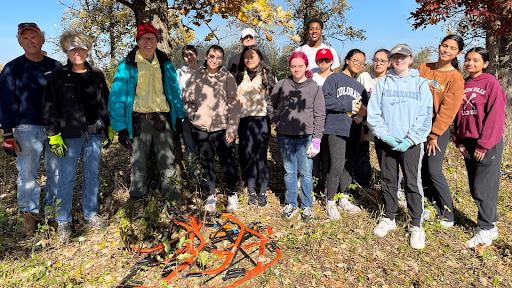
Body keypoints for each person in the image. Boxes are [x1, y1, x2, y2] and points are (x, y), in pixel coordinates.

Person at [42, 30, 112, 241]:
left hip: (94, 134)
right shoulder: (58, 75)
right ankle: (63, 220)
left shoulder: (97, 74)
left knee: (92, 175)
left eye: (82, 47)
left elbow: (105, 101)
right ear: (66, 51)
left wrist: (107, 126)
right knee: (66, 178)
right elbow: (49, 107)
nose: (78, 52)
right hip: (69, 135)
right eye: (73, 48)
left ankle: (90, 214)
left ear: (88, 50)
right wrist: (53, 135)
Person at [109, 22, 184, 210]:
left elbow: (174, 91)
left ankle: (171, 200)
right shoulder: (127, 65)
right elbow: (116, 97)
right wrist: (121, 128)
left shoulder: (165, 64)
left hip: (163, 120)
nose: (148, 42)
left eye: (152, 39)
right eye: (144, 39)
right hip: (138, 121)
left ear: (157, 41)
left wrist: (179, 117)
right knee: (138, 164)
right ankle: (137, 202)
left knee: (167, 162)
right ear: (138, 41)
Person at [367, 44, 432, 249]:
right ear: (391, 60)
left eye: (403, 57)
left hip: (411, 143)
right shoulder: (383, 83)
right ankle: (389, 217)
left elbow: (424, 116)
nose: (399, 60)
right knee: (388, 179)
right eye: (396, 57)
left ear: (411, 59)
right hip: (386, 141)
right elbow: (374, 113)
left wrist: (410, 139)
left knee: (412, 182)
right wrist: (385, 136)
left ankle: (416, 224)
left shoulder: (421, 84)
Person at [0, 23, 61, 237]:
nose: (30, 41)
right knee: (27, 174)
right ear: (20, 43)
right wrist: (8, 133)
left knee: (56, 172)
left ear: (42, 39)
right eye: (25, 38)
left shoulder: (56, 66)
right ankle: (29, 219)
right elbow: (6, 101)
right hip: (26, 130)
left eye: (33, 37)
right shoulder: (12, 68)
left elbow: (64, 99)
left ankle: (53, 215)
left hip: (55, 129)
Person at [453, 47, 506, 248]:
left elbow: (496, 116)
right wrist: (458, 140)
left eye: (476, 60)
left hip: (487, 142)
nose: (470, 64)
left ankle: (485, 229)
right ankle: (490, 223)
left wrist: (484, 145)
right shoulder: (463, 83)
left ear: (485, 63)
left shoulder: (491, 83)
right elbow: (457, 115)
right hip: (468, 142)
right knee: (476, 186)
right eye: (467, 60)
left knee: (482, 187)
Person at [182, 45, 241, 213]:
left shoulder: (227, 77)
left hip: (222, 128)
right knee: (206, 161)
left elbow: (234, 104)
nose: (215, 60)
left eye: (219, 58)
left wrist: (232, 128)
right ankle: (211, 193)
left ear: (222, 60)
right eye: (212, 56)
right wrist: (193, 116)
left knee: (228, 161)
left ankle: (231, 193)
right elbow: (187, 100)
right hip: (201, 128)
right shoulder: (196, 76)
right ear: (206, 56)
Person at [267, 51, 325, 222]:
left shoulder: (314, 88)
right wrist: (278, 122)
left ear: (306, 67)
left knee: (306, 173)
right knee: (289, 172)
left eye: (300, 66)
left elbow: (320, 114)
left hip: (306, 137)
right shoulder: (282, 85)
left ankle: (307, 206)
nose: (297, 69)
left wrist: (317, 139)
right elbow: (271, 105)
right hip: (285, 137)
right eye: (293, 66)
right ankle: (291, 203)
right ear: (289, 67)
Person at [420, 35, 465, 226]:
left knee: (433, 169)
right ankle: (430, 205)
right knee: (421, 168)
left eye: (452, 48)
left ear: (458, 53)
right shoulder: (424, 68)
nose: (446, 50)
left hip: (437, 129)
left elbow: (448, 109)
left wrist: (434, 134)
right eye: (444, 46)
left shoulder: (455, 77)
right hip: (418, 126)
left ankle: (448, 212)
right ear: (439, 46)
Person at [322, 51, 369, 220]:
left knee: (349, 166)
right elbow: (325, 100)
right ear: (347, 60)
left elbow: (364, 108)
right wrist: (348, 105)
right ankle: (330, 202)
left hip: (354, 130)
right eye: (355, 60)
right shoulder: (333, 79)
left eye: (362, 62)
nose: (358, 63)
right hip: (336, 128)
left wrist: (360, 118)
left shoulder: (360, 87)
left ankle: (344, 198)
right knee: (337, 165)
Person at [235, 46, 276, 208]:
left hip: (261, 121)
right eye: (246, 57)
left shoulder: (268, 75)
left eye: (253, 56)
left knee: (260, 156)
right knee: (248, 156)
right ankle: (251, 190)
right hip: (243, 121)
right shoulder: (238, 76)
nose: (249, 59)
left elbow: (275, 98)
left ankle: (263, 191)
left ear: (259, 57)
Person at [355, 49, 391, 190]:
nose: (378, 63)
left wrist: (369, 111)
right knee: (362, 156)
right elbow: (357, 101)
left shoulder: (392, 79)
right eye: (376, 60)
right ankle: (364, 185)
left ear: (389, 63)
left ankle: (392, 188)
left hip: (384, 126)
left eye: (382, 61)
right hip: (364, 124)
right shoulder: (364, 77)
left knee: (386, 158)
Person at [311, 48, 334, 195]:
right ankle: (314, 181)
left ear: (332, 61)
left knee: (327, 154)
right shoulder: (312, 77)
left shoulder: (336, 77)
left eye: (327, 60)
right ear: (317, 61)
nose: (324, 62)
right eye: (321, 60)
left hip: (331, 122)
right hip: (313, 121)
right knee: (314, 154)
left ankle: (325, 182)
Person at [176, 45, 200, 179]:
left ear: (196, 54)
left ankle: (208, 177)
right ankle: (197, 179)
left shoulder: (205, 72)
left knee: (203, 147)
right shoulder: (180, 72)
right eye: (186, 55)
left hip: (203, 116)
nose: (189, 57)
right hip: (185, 116)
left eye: (191, 54)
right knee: (191, 148)